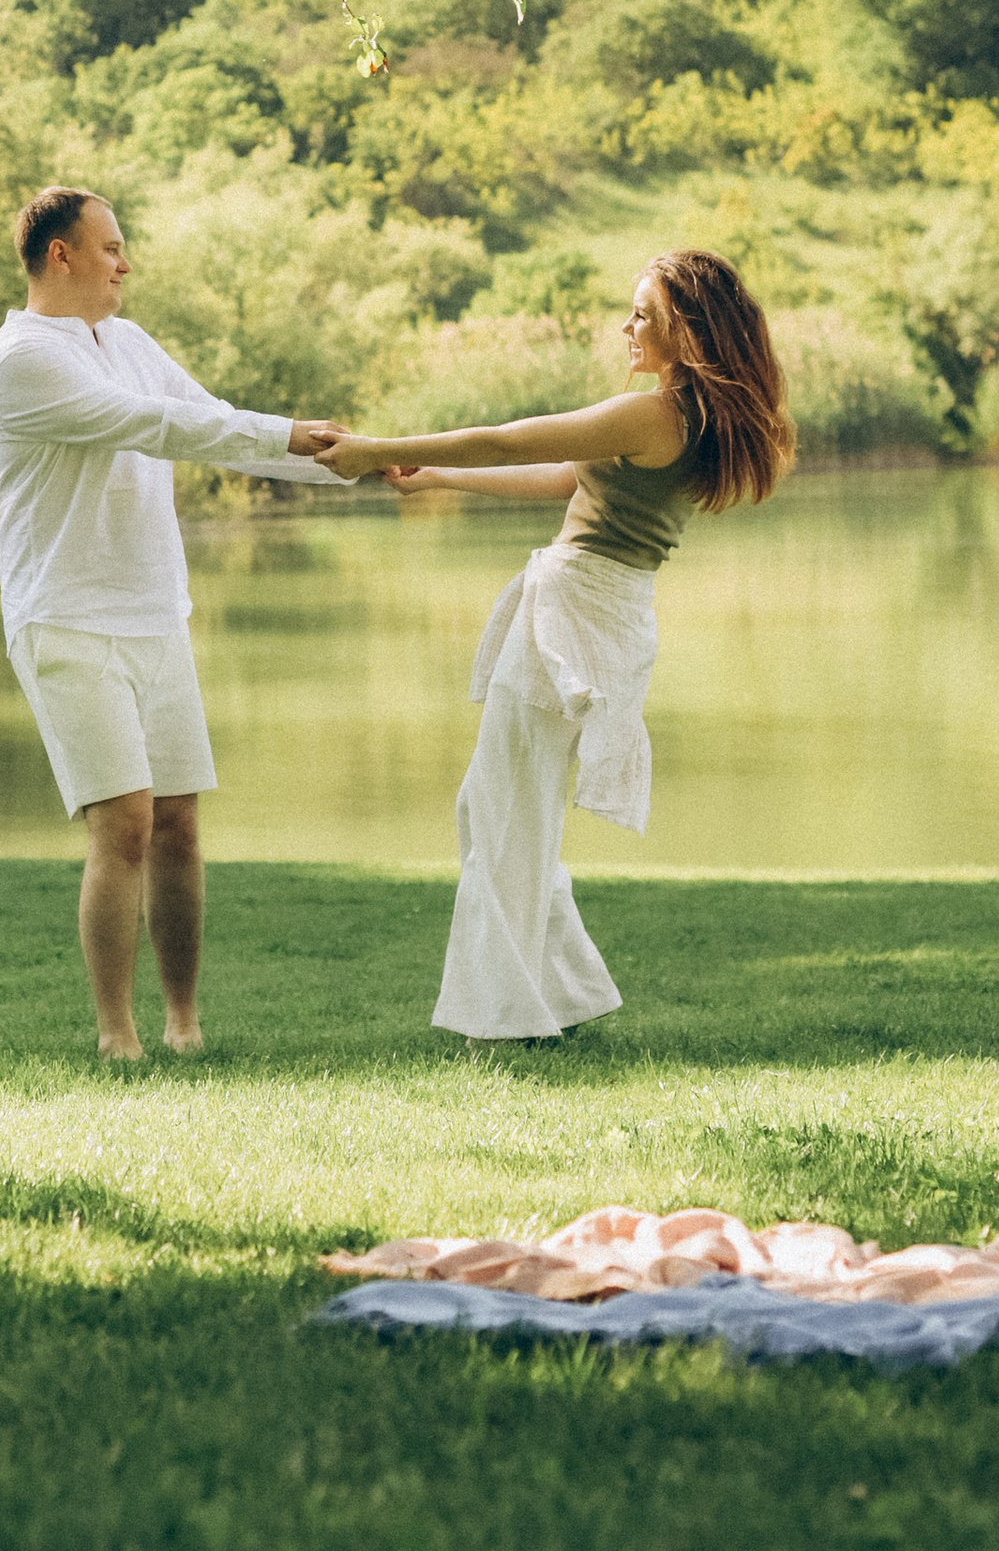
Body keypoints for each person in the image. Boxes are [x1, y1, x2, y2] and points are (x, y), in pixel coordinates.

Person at [313, 252, 792, 1044]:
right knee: (510, 805)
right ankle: (555, 996)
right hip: (609, 611)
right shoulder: (695, 419)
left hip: (573, 611)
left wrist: (372, 446)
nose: (628, 326)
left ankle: (505, 1016)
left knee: (502, 805)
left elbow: (503, 440)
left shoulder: (654, 412)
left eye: (643, 311)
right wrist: (433, 476)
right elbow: (572, 476)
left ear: (686, 326)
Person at [0, 185, 346, 1060]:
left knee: (178, 821)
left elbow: (214, 429)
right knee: (127, 822)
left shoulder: (129, 341)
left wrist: (351, 467)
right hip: (65, 619)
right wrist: (288, 431)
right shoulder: (22, 358)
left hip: (155, 615)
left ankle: (184, 1026)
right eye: (111, 247)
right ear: (59, 255)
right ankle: (119, 1038)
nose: (125, 263)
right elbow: (151, 424)